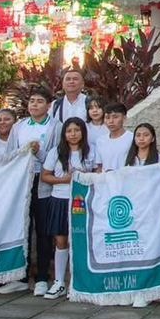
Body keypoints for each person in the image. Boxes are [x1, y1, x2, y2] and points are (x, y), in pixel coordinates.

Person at [0, 88, 55, 296]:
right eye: (32, 101)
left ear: (48, 105)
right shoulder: (19, 127)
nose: (34, 105)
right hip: (21, 181)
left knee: (43, 230)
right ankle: (20, 276)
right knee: (21, 227)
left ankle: (41, 277)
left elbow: (57, 156)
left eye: (40, 101)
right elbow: (10, 153)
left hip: (43, 181)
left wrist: (38, 151)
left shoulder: (54, 126)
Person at [38, 119, 92, 300]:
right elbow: (45, 176)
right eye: (69, 131)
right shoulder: (56, 152)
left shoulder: (90, 152)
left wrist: (83, 178)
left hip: (82, 201)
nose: (73, 134)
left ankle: (78, 282)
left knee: (80, 241)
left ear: (83, 132)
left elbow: (99, 173)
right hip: (59, 199)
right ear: (64, 134)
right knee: (61, 241)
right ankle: (59, 282)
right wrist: (65, 180)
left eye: (77, 130)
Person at [93, 103, 133, 170]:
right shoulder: (100, 141)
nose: (111, 121)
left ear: (124, 118)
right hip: (106, 179)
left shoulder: (132, 139)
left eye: (115, 117)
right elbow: (99, 167)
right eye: (107, 117)